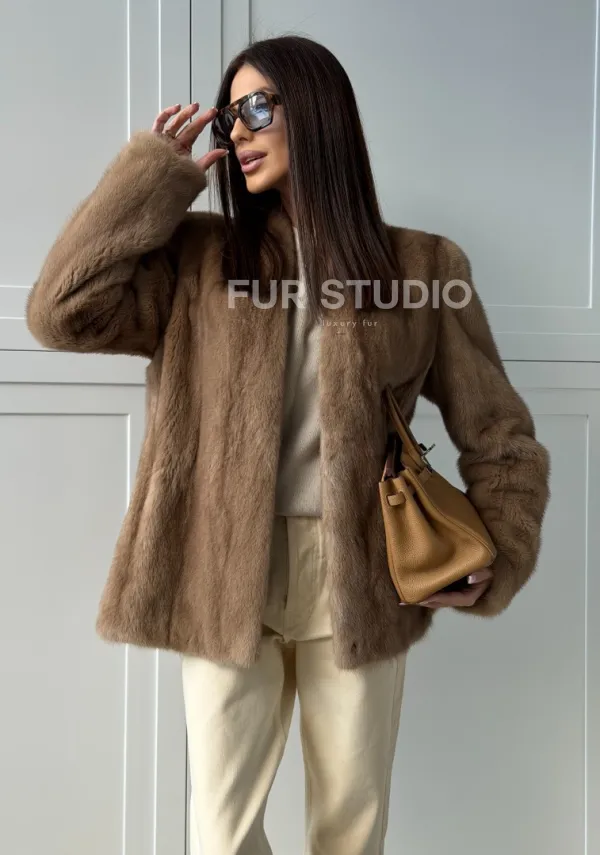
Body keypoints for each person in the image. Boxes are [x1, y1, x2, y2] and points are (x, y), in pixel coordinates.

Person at [25, 34, 550, 855]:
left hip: (365, 573)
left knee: (351, 827)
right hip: (220, 567)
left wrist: (502, 549)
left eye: (258, 108)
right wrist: (149, 180)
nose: (237, 130)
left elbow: (499, 432)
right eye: (230, 114)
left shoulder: (422, 267)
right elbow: (61, 313)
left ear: (319, 113)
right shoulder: (198, 258)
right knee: (222, 834)